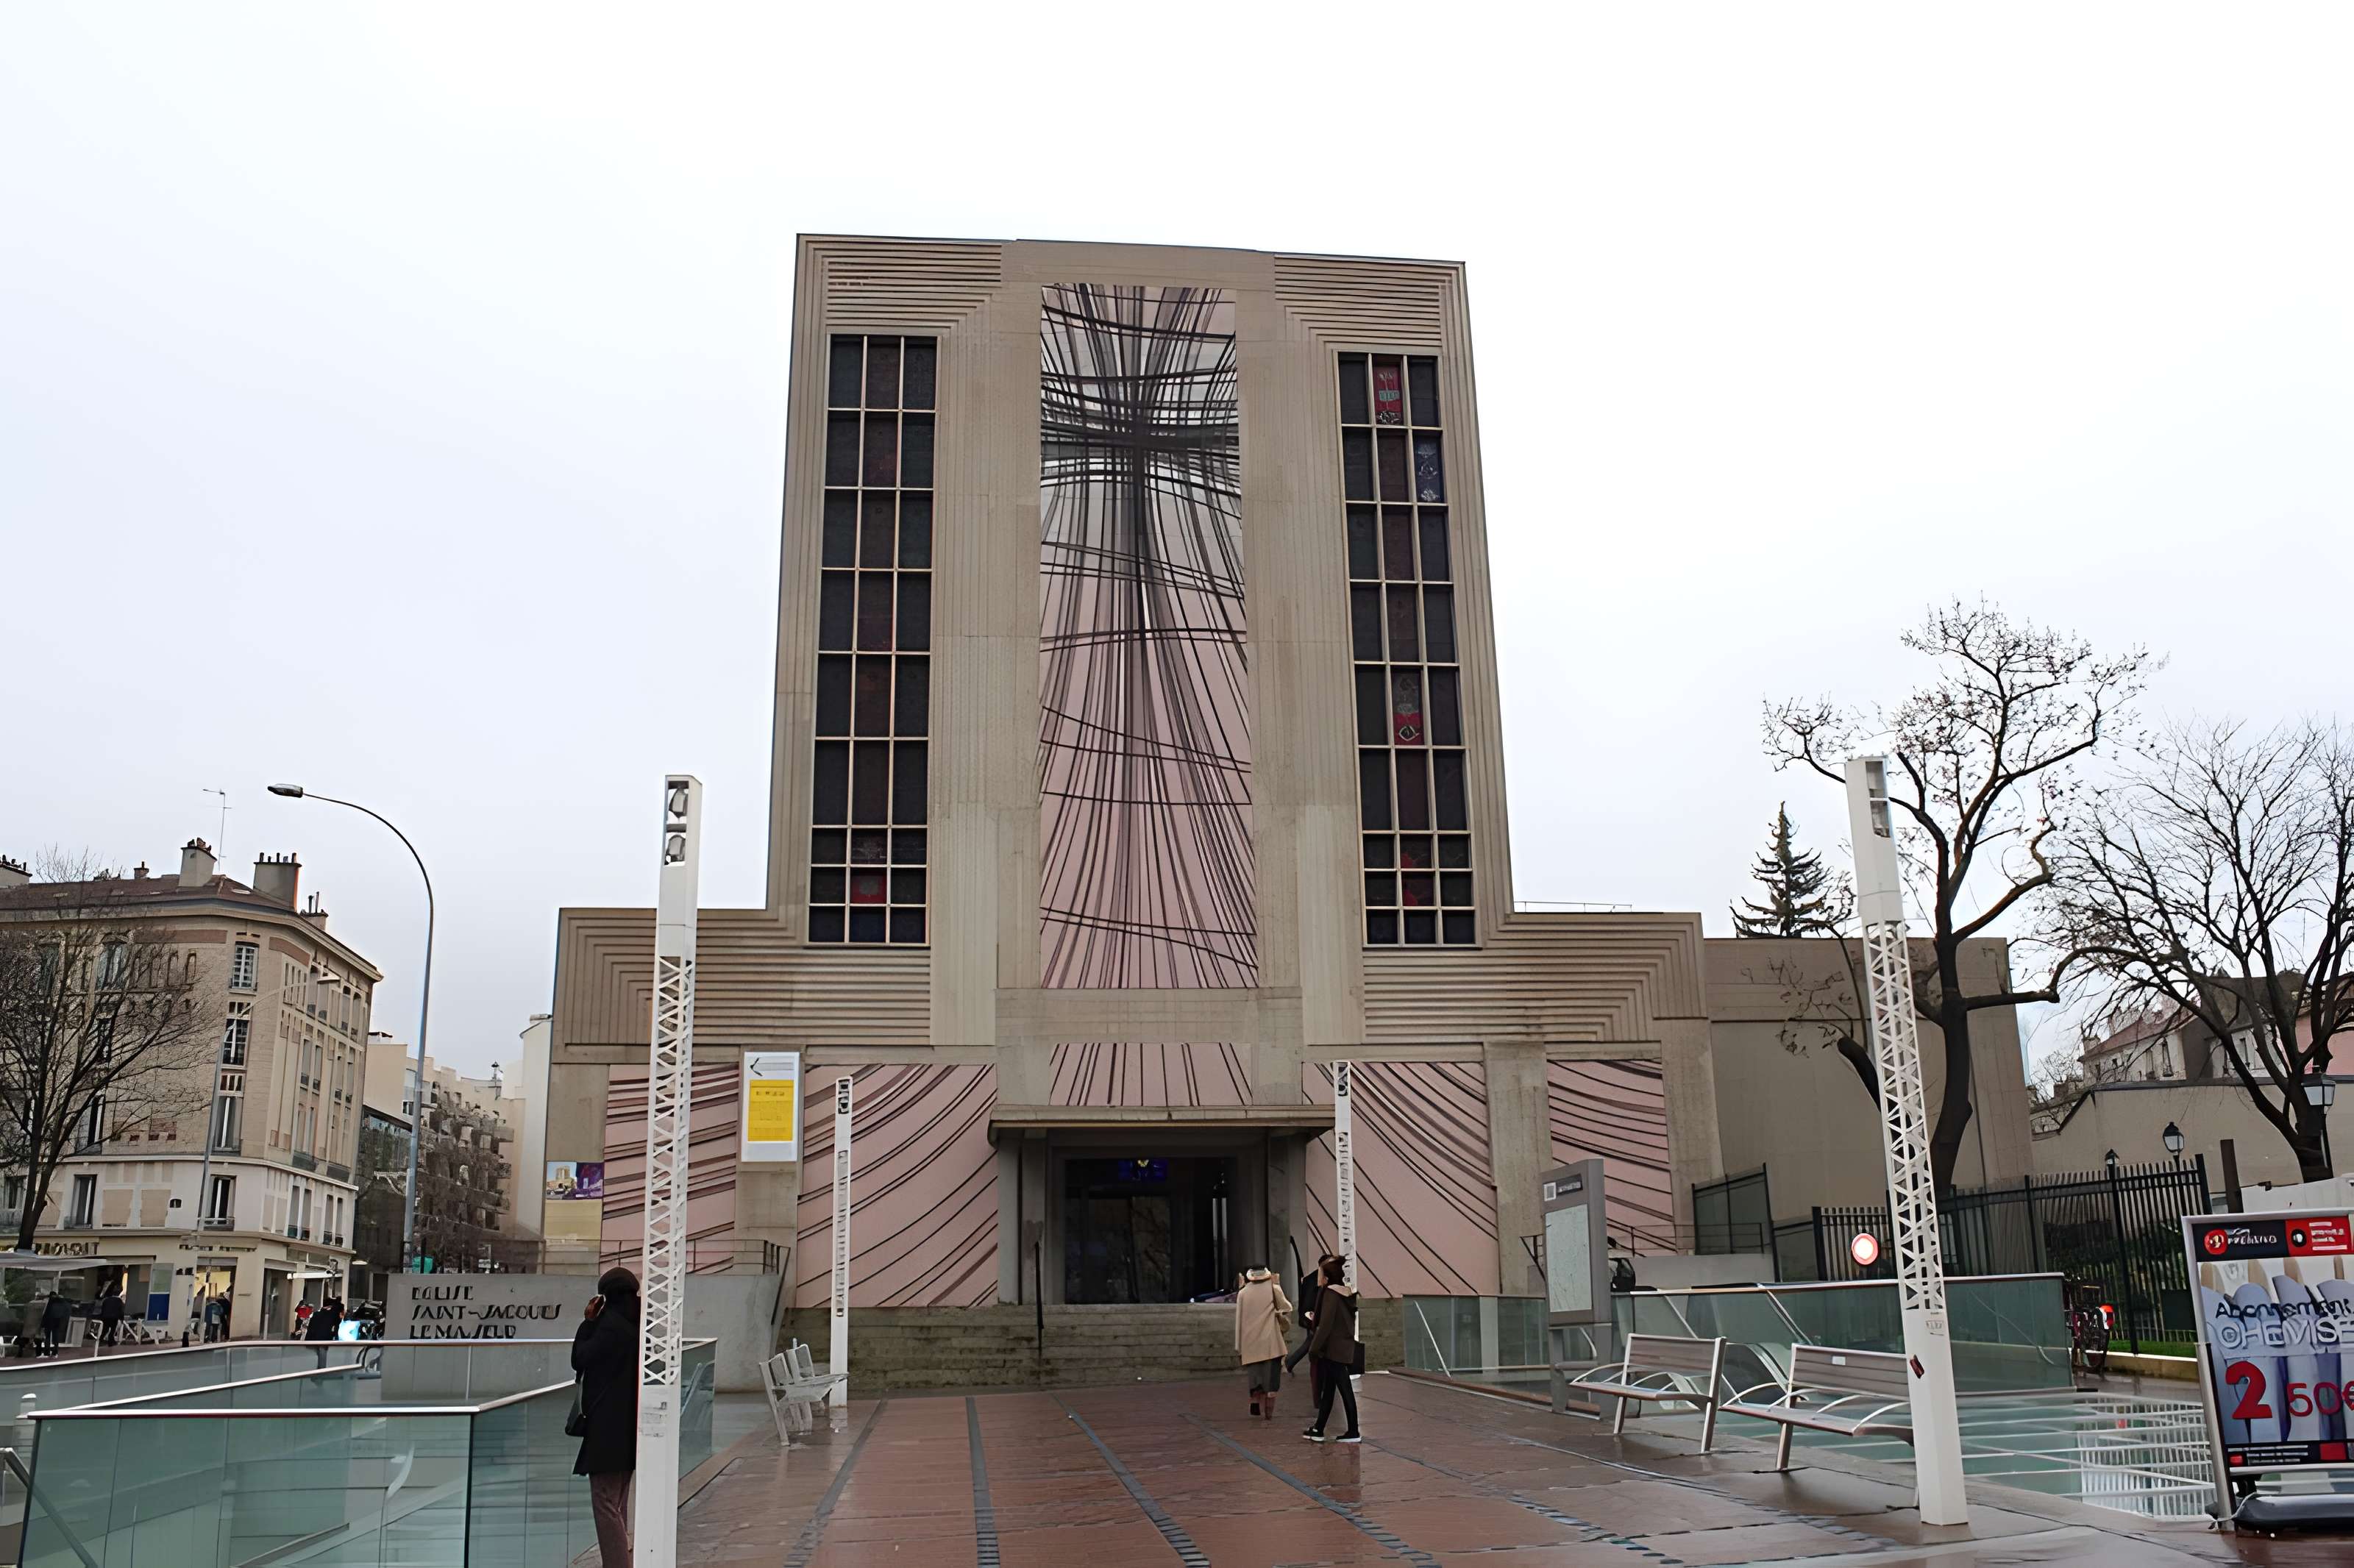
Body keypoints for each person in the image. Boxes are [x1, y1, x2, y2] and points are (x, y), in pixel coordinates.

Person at [574, 1266, 641, 1568]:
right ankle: (620, 1560)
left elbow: (580, 1358)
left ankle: (617, 1565)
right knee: (617, 1502)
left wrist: (587, 1323)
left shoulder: (608, 1325)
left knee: (604, 1502)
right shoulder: (640, 1322)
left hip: (606, 1429)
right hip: (631, 1427)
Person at [1301, 1254, 1362, 1444]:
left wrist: (1314, 1348)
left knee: (1344, 1390)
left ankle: (1353, 1430)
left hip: (1333, 1350)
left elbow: (1325, 1325)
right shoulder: (1346, 1293)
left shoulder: (1331, 1294)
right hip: (1342, 1346)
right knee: (1329, 1390)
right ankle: (1319, 1429)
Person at [1233, 1266, 1292, 1419]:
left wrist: (1238, 1347)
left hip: (1250, 1342)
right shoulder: (1273, 1288)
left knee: (1255, 1377)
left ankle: (1255, 1401)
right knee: (1272, 1380)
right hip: (1271, 1342)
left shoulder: (1243, 1293)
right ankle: (1269, 1413)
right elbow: (1287, 1307)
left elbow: (1239, 1321)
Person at [38, 1291, 73, 1358]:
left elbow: (46, 1313)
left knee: (47, 1337)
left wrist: (42, 1323)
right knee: (56, 1336)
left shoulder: (50, 1302)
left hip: (48, 1321)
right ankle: (55, 1352)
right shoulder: (61, 1302)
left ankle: (47, 1352)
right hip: (57, 1321)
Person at [98, 1283, 125, 1347]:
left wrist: (101, 1317)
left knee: (105, 1330)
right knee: (112, 1330)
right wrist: (122, 1318)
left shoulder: (106, 1300)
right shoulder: (119, 1301)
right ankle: (110, 1343)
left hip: (105, 1317)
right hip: (114, 1318)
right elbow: (120, 1311)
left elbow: (103, 1309)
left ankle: (100, 1340)